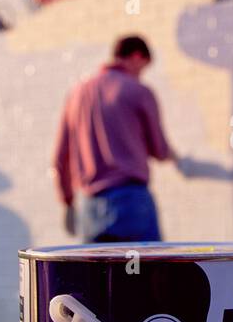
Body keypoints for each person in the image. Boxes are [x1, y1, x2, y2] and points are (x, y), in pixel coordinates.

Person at [54, 35, 175, 243]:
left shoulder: (76, 94)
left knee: (96, 276)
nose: (140, 75)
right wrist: (177, 158)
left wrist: (67, 201)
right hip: (131, 202)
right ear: (137, 57)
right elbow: (159, 149)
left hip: (88, 207)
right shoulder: (138, 91)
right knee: (146, 274)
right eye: (143, 68)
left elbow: (59, 158)